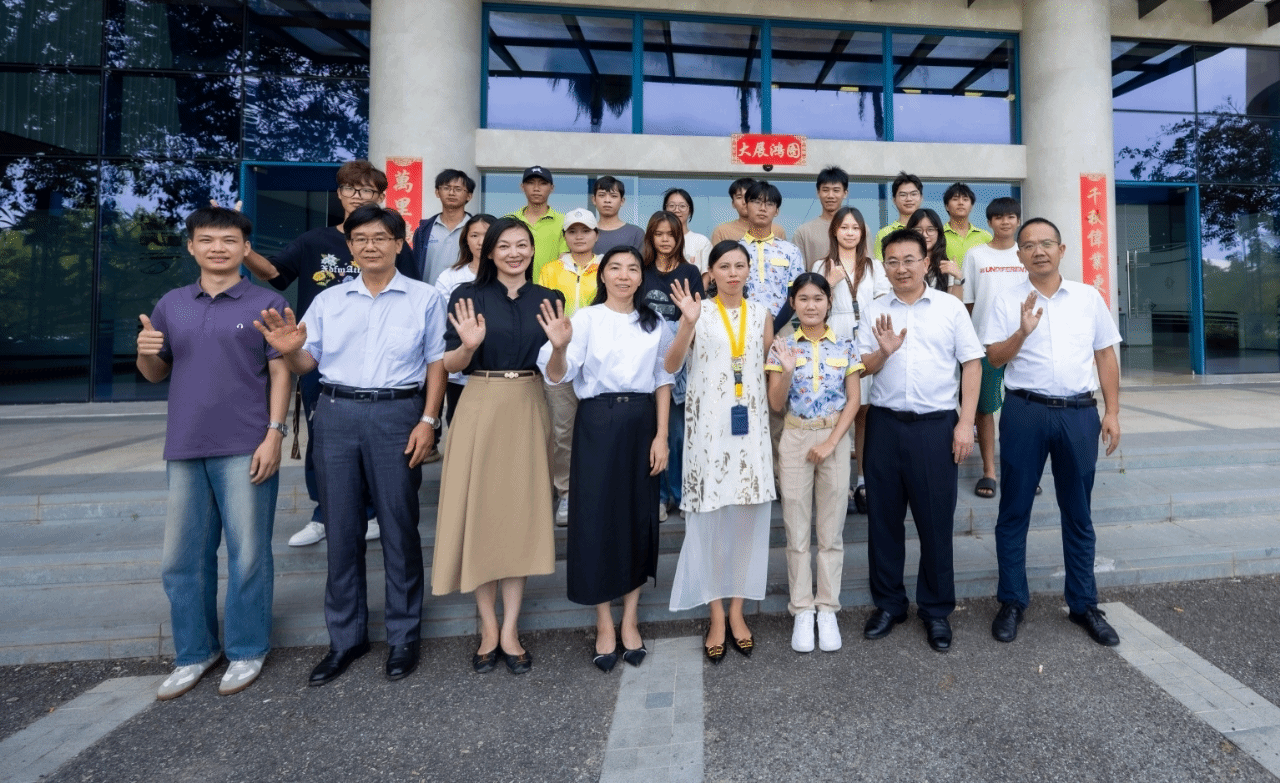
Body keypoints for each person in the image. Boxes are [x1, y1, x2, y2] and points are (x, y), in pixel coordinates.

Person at [254, 204, 446, 686]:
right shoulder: (329, 301)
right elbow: (306, 364)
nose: (370, 246)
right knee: (341, 528)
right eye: (360, 239)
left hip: (397, 415)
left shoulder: (424, 298)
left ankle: (403, 636)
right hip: (336, 413)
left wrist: (428, 420)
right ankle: (346, 637)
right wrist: (290, 351)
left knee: (399, 527)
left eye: (380, 238)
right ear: (350, 247)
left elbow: (436, 363)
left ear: (399, 244)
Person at [138, 207, 290, 701]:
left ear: (246, 248)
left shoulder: (267, 302)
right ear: (191, 246)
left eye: (229, 240)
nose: (218, 248)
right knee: (181, 558)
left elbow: (282, 372)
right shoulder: (172, 304)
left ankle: (247, 648)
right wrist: (144, 350)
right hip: (185, 445)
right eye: (207, 240)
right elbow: (155, 373)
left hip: (246, 444)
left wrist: (274, 434)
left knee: (248, 555)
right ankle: (194, 652)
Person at [239, 160, 420, 548]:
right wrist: (242, 246)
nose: (358, 196)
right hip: (321, 357)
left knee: (376, 439)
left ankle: (371, 511)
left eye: (368, 190)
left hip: (379, 361)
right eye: (351, 188)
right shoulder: (313, 241)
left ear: (380, 197)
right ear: (339, 194)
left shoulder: (393, 243)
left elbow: (411, 295)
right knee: (323, 437)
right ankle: (324, 513)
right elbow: (273, 273)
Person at [432, 217, 565, 676]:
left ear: (532, 250)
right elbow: (450, 363)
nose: (514, 252)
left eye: (522, 244)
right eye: (504, 245)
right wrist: (469, 347)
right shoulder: (466, 296)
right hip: (480, 403)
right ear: (488, 251)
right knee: (482, 514)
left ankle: (511, 629)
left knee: (519, 516)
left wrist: (561, 347)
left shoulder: (549, 299)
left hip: (529, 402)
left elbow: (555, 374)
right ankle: (488, 627)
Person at [984, 218, 1122, 648]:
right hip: (1024, 411)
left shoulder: (1087, 297)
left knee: (1078, 512)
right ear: (1019, 255)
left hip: (1079, 415)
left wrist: (1113, 412)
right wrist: (1021, 332)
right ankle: (1012, 601)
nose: (1038, 251)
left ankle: (1083, 603)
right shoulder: (1006, 299)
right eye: (1029, 245)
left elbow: (1105, 354)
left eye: (1046, 243)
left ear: (1062, 250)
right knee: (1014, 511)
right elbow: (994, 358)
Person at [539, 246, 673, 671]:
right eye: (615, 268)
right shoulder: (585, 320)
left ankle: (630, 619)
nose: (624, 275)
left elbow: (663, 379)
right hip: (597, 420)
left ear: (641, 278)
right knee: (595, 517)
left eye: (632, 268)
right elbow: (557, 375)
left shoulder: (654, 323)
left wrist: (662, 436)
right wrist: (558, 347)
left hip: (642, 422)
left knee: (637, 517)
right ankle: (603, 622)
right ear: (603, 275)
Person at [857, 229, 982, 654]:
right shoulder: (874, 310)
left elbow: (972, 364)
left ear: (926, 262)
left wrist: (966, 423)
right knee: (883, 522)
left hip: (936, 427)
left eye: (909, 260)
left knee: (935, 523)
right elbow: (861, 367)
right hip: (885, 426)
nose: (901, 268)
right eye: (892, 261)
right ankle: (889, 605)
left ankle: (936, 609)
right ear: (884, 267)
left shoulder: (949, 307)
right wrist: (884, 352)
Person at [665, 240, 775, 664]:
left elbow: (766, 369)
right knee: (710, 520)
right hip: (708, 430)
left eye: (739, 265)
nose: (733, 273)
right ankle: (715, 614)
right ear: (710, 273)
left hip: (749, 429)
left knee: (745, 519)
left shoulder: (761, 314)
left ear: (748, 271)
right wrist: (686, 325)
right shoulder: (697, 310)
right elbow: (672, 365)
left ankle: (737, 611)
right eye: (724, 266)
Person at [766, 273, 863, 654]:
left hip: (833, 439)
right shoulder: (782, 346)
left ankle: (827, 608)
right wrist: (787, 370)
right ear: (793, 303)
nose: (811, 305)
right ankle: (803, 609)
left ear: (829, 302)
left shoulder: (846, 345)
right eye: (803, 299)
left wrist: (832, 442)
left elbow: (854, 400)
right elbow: (776, 404)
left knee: (831, 531)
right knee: (796, 529)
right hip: (795, 438)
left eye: (818, 298)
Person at [815, 206, 888, 514]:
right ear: (834, 231)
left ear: (862, 233)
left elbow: (885, 301)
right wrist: (829, 282)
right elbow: (814, 303)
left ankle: (862, 481)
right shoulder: (822, 264)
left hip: (867, 335)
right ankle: (837, 483)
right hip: (835, 335)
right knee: (838, 409)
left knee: (865, 412)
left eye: (855, 228)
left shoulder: (874, 266)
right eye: (844, 227)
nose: (849, 233)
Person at [638, 211, 706, 523]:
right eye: (659, 234)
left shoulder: (690, 271)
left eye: (671, 234)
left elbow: (697, 315)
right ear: (650, 237)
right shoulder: (641, 270)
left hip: (679, 358)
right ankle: (659, 496)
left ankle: (680, 494)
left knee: (676, 433)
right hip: (643, 358)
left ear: (679, 237)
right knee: (650, 430)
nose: (665, 240)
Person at [538, 207, 602, 526]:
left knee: (598, 428)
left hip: (600, 358)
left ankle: (596, 489)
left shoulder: (607, 267)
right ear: (564, 236)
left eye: (585, 230)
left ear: (596, 235)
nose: (579, 236)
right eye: (573, 231)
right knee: (563, 429)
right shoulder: (551, 269)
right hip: (560, 355)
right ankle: (566, 492)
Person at [961, 197, 1025, 500]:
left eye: (1011, 216)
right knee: (984, 410)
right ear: (989, 222)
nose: (1005, 222)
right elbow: (968, 302)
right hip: (985, 344)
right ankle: (989, 471)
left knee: (1021, 410)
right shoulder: (975, 255)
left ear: (1018, 220)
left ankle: (1022, 470)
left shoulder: (1027, 253)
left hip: (1024, 344)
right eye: (998, 217)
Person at [436, 214, 496, 427]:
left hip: (498, 369)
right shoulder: (450, 277)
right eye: (474, 235)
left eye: (487, 234)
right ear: (465, 240)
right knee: (460, 425)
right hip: (460, 369)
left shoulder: (510, 274)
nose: (481, 241)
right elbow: (440, 321)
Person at [411, 169, 475, 285]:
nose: (451, 193)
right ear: (437, 192)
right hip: (429, 294)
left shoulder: (476, 229)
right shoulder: (423, 231)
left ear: (469, 196)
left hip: (467, 294)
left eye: (458, 189)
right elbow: (415, 266)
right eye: (446, 188)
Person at [508, 165, 568, 281]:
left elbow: (564, 260)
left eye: (543, 183)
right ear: (522, 187)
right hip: (514, 287)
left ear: (552, 188)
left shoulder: (564, 222)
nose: (536, 188)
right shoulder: (509, 220)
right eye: (531, 183)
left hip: (550, 287)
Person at [791, 166, 849, 270]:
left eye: (836, 190)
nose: (830, 195)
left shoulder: (859, 229)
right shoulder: (803, 232)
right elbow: (797, 272)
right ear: (818, 193)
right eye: (825, 190)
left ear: (845, 193)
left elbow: (868, 269)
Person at [906, 208, 963, 299]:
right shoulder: (902, 264)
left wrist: (957, 277)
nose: (924, 235)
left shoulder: (947, 266)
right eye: (918, 230)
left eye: (930, 229)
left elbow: (955, 305)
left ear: (938, 233)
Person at [710, 178, 787, 244]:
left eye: (752, 198)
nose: (744, 201)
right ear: (733, 203)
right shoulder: (721, 231)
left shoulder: (778, 230)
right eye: (739, 197)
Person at [942, 182, 992, 271]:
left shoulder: (985, 237)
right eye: (955, 199)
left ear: (971, 206)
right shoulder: (938, 235)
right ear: (947, 206)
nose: (961, 203)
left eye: (965, 199)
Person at [591, 176, 646, 256]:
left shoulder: (636, 233)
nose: (607, 200)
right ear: (594, 200)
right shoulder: (586, 232)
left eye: (613, 196)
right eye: (602, 195)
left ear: (622, 201)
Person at [873, 171, 922, 261]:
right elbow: (880, 267)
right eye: (903, 195)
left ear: (921, 198)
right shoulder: (884, 234)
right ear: (894, 200)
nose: (909, 199)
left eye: (913, 194)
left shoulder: (929, 232)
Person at [663, 187, 711, 273]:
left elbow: (706, 274)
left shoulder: (702, 241)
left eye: (682, 206)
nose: (676, 210)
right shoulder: (660, 241)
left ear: (690, 211)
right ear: (665, 210)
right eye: (671, 206)